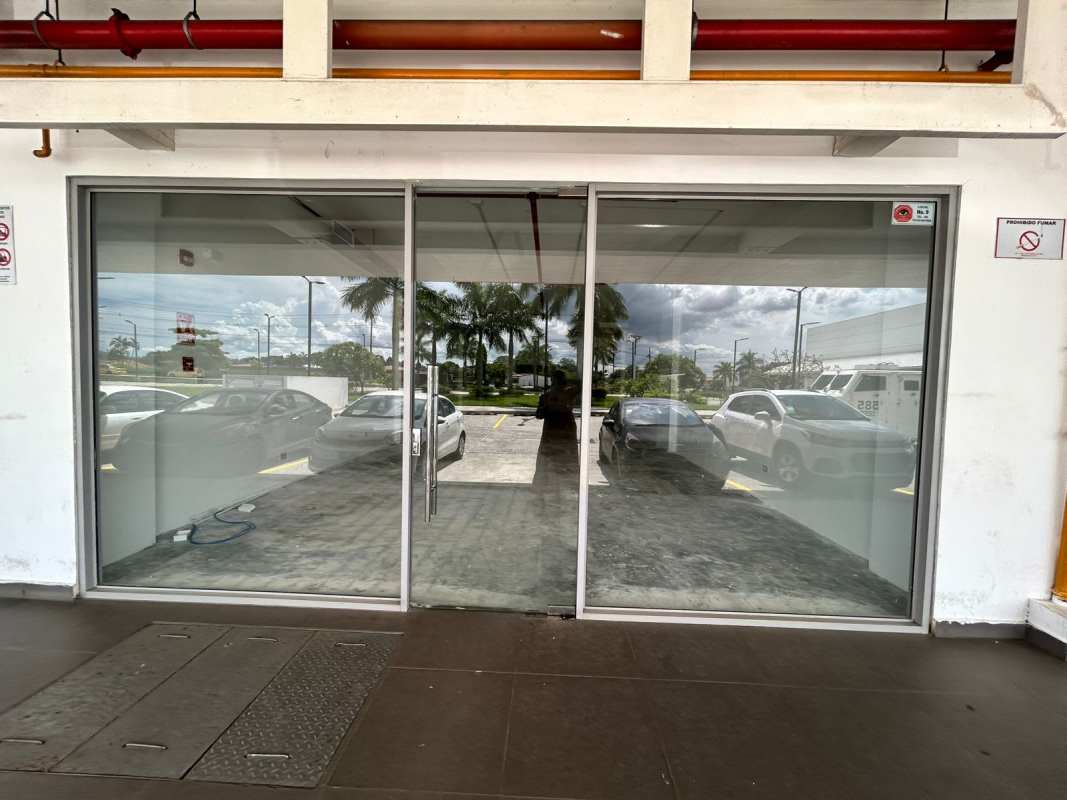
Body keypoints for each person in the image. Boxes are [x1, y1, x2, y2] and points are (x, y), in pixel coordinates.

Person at [533, 370, 578, 491]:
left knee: (566, 460)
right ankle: (549, 485)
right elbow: (539, 414)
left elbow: (580, 385)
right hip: (553, 434)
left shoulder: (568, 394)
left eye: (555, 380)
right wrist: (546, 404)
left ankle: (565, 485)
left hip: (564, 433)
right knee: (550, 460)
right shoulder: (547, 396)